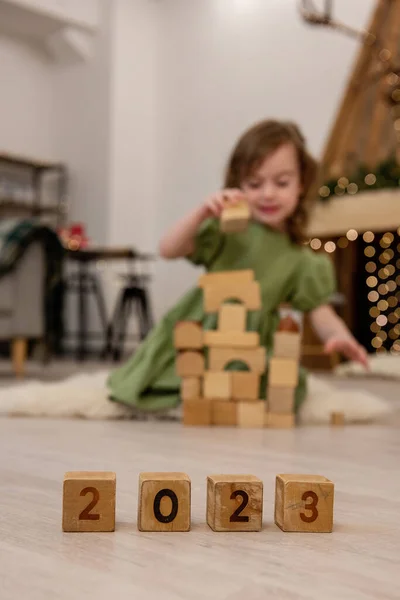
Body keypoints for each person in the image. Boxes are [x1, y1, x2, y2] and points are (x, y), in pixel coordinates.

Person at [108, 119, 368, 413]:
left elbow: (320, 312)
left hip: (252, 345)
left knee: (276, 391)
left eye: (281, 183)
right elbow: (168, 249)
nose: (268, 194)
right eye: (254, 184)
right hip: (205, 330)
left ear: (301, 185)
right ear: (238, 186)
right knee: (175, 378)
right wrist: (201, 213)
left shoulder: (302, 260)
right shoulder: (227, 230)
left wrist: (340, 337)